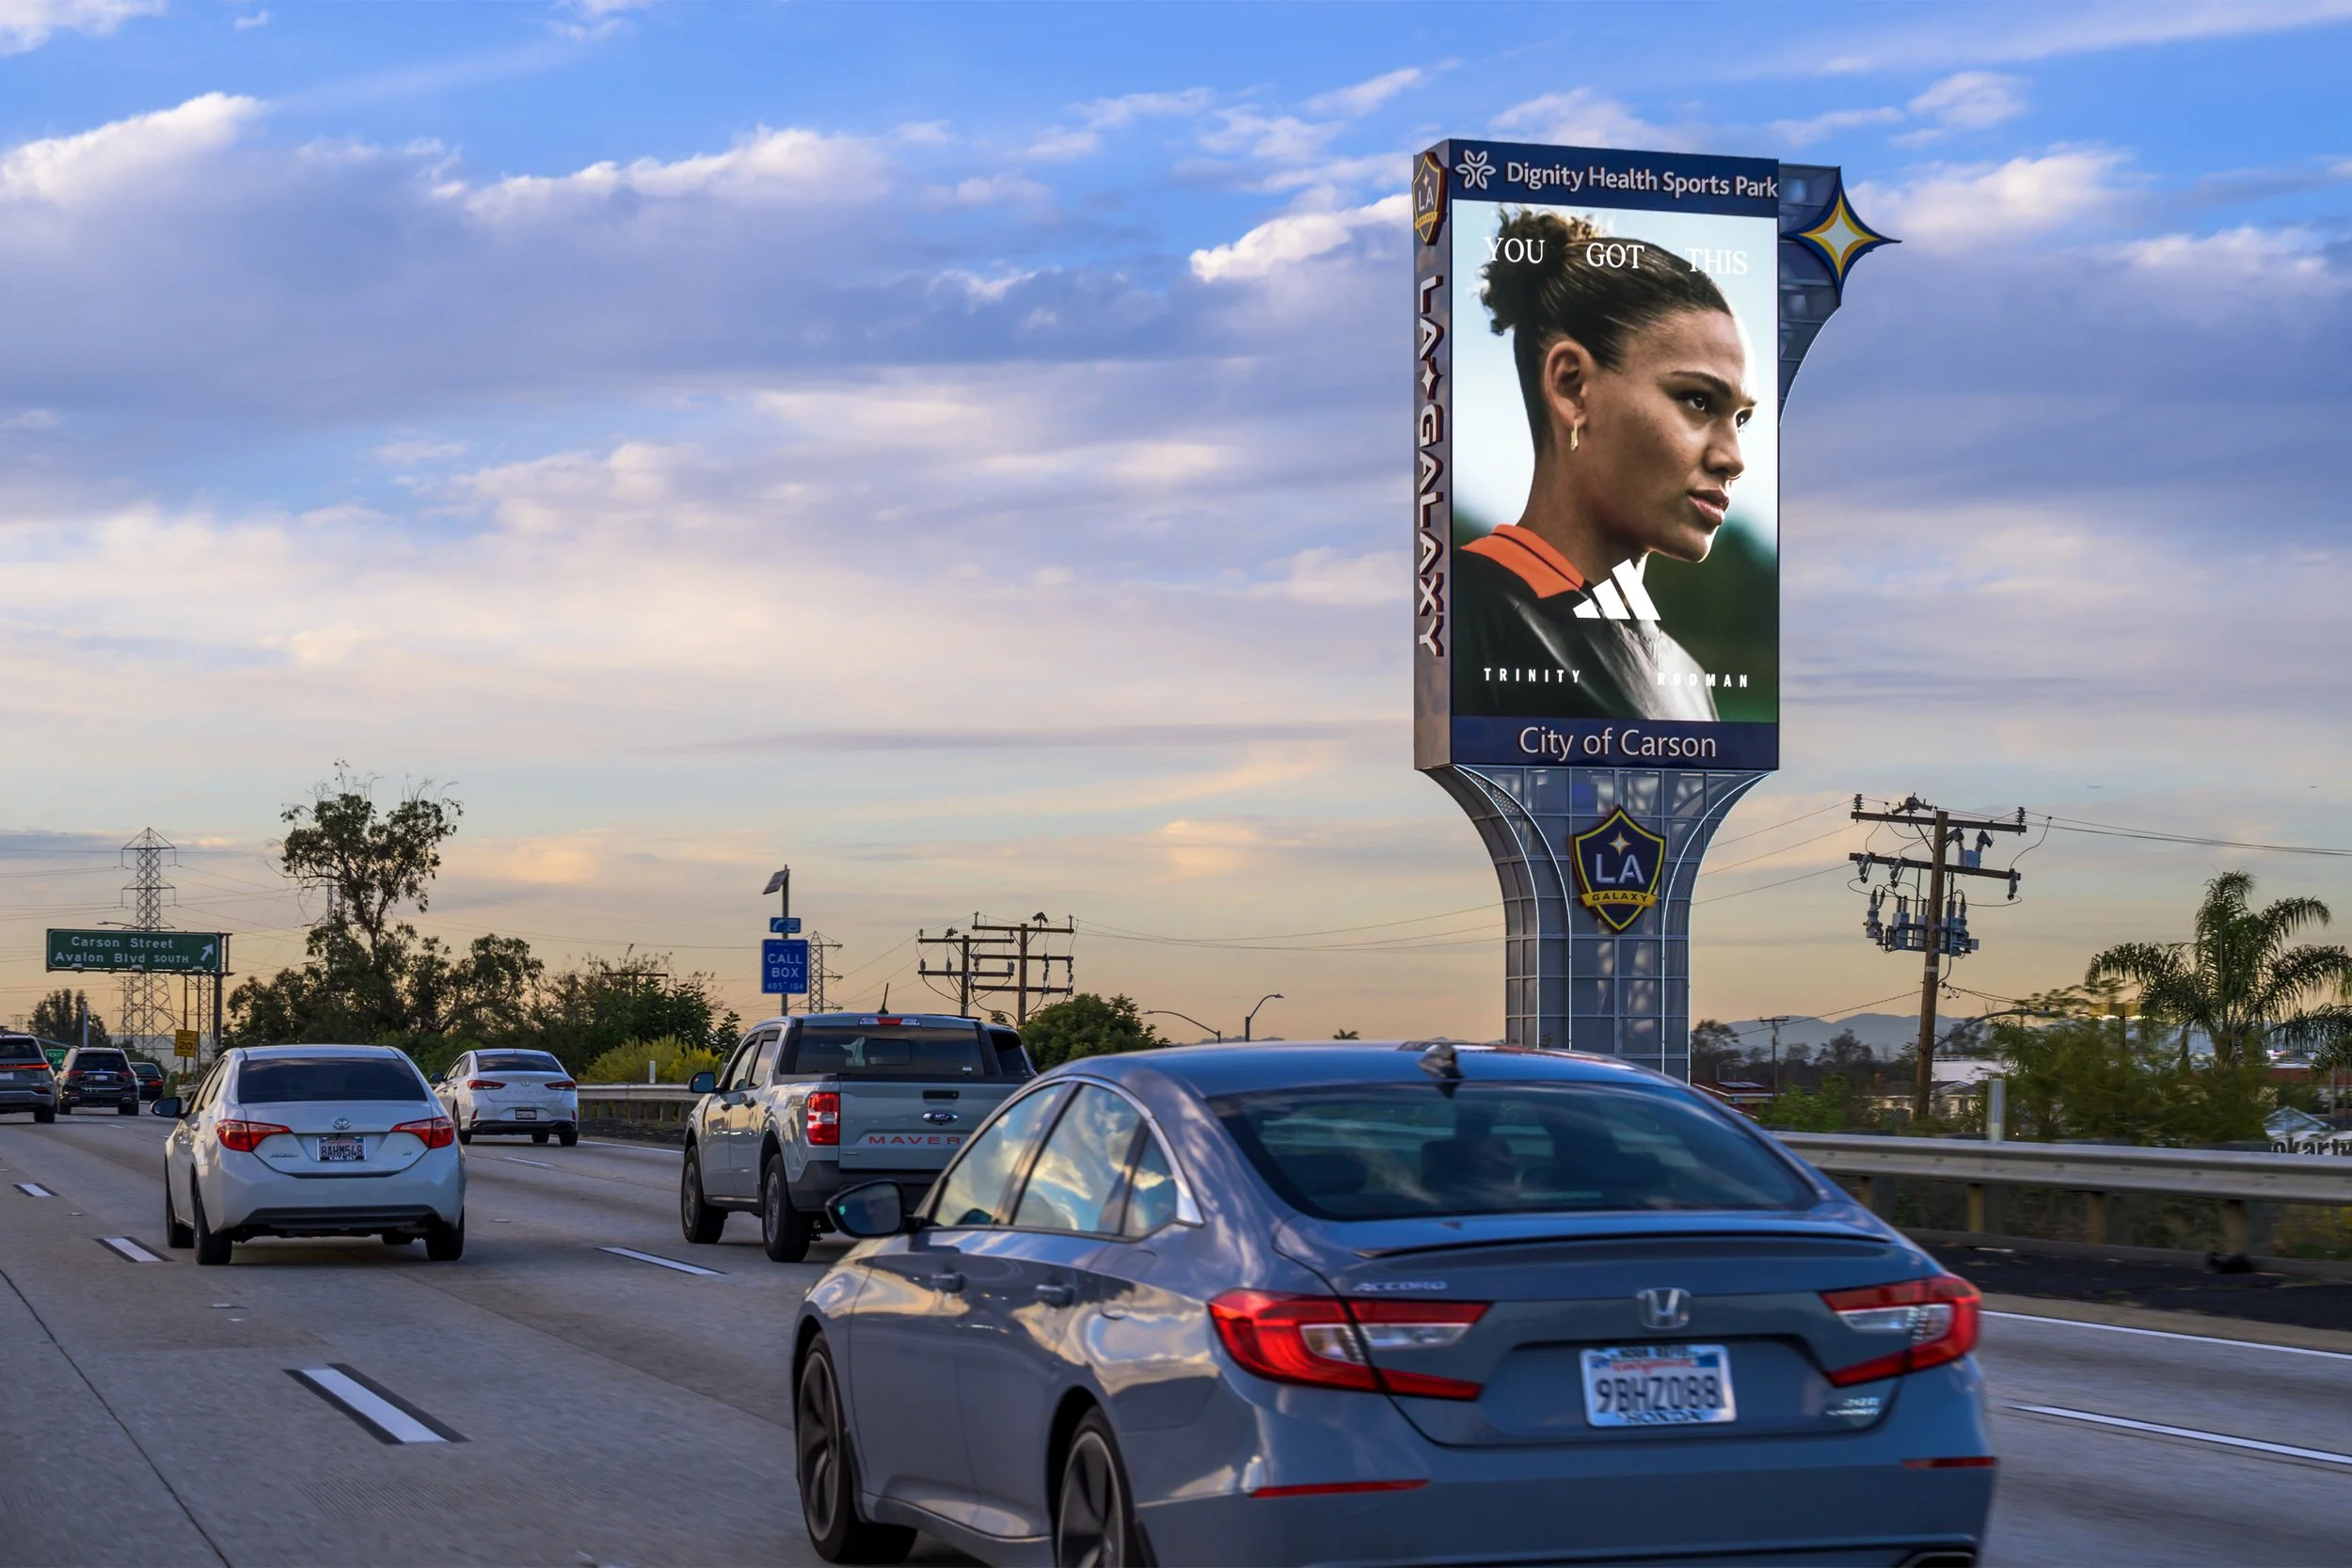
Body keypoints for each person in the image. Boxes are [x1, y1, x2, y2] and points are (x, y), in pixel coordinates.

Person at [1453, 210, 1756, 720]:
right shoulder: (1455, 611)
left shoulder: (1690, 682)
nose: (1734, 458)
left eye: (1740, 419)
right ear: (1572, 386)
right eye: (1698, 401)